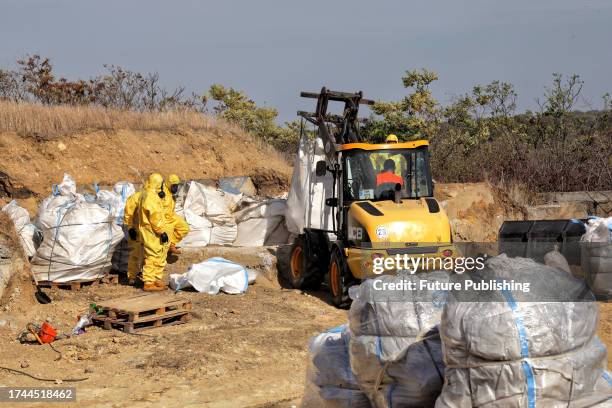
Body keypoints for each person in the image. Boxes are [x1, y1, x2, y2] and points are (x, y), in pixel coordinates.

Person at [137, 173, 170, 291]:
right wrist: (161, 231)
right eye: (161, 184)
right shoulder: (150, 197)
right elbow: (154, 216)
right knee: (152, 255)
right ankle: (149, 282)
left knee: (158, 254)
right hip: (151, 231)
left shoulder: (147, 194)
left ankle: (156, 278)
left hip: (150, 230)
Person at [162, 174, 190, 254]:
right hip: (163, 218)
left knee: (184, 228)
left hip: (171, 215)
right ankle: (167, 247)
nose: (176, 188)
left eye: (177, 186)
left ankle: (172, 243)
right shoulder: (161, 193)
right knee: (167, 232)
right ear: (168, 184)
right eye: (173, 185)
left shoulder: (170, 193)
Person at [123, 186, 144, 286]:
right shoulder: (135, 198)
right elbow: (129, 214)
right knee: (135, 254)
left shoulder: (154, 197)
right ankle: (132, 277)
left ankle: (146, 275)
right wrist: (130, 228)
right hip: (136, 230)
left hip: (147, 232)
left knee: (148, 254)